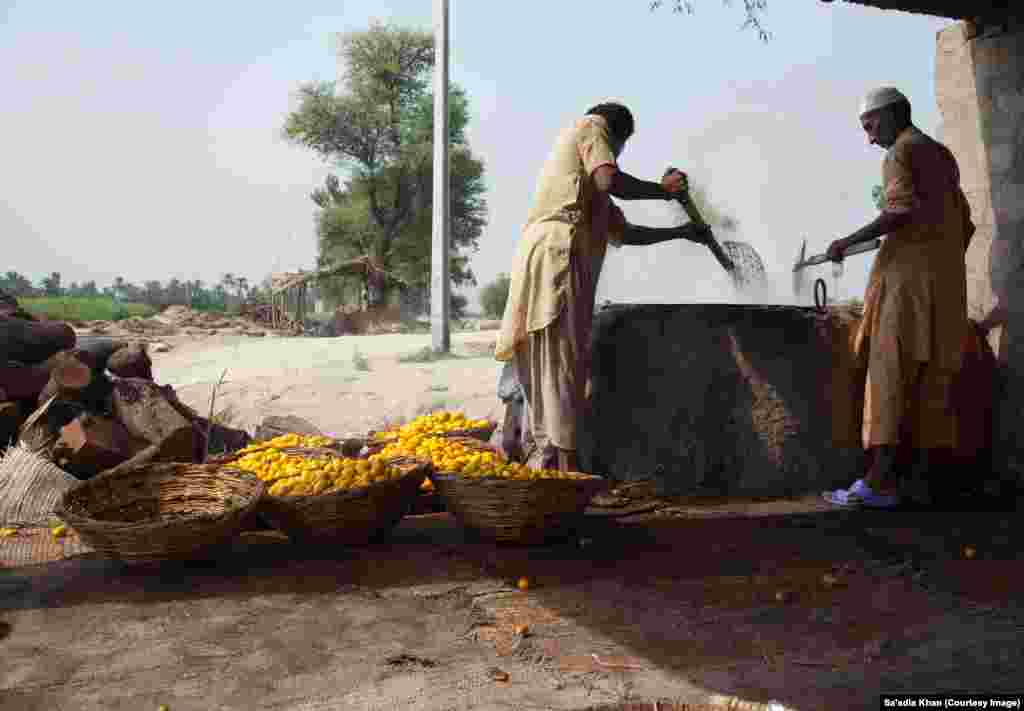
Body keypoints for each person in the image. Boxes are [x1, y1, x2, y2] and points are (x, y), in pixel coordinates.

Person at [495, 102, 712, 472]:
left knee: (553, 358)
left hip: (546, 254)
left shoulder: (587, 193)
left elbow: (626, 233)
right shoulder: (591, 127)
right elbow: (611, 179)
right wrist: (664, 191)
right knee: (563, 359)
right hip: (556, 254)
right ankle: (567, 471)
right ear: (617, 138)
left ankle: (548, 460)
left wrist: (681, 233)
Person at [824, 87, 975, 508]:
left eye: (870, 126)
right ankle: (921, 487)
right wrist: (932, 255)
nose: (870, 138)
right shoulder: (942, 155)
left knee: (889, 378)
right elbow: (964, 225)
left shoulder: (900, 153)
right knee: (933, 382)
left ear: (891, 115)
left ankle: (876, 484)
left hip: (906, 290)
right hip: (946, 288)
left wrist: (844, 242)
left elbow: (899, 211)